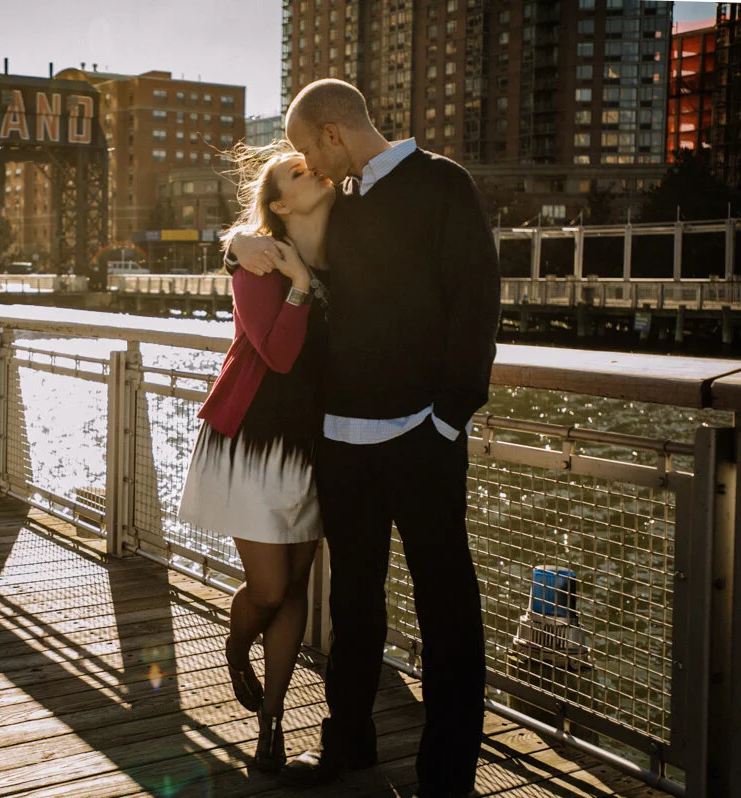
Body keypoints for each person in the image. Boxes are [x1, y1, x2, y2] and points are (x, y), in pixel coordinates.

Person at [229, 79, 500, 798]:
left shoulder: (444, 185)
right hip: (341, 444)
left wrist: (448, 417)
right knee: (353, 605)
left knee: (447, 611)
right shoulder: (336, 205)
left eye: (305, 149)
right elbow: (272, 244)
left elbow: (477, 298)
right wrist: (237, 241)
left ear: (333, 135)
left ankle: (447, 776)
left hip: (421, 437)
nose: (308, 165)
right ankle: (346, 748)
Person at [177, 140, 333, 775]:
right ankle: (237, 649)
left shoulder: (341, 250)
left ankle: (271, 723)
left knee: (294, 587)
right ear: (276, 201)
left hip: (316, 442)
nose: (314, 167)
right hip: (255, 440)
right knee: (269, 588)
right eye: (298, 170)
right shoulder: (257, 263)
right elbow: (277, 355)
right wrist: (298, 286)